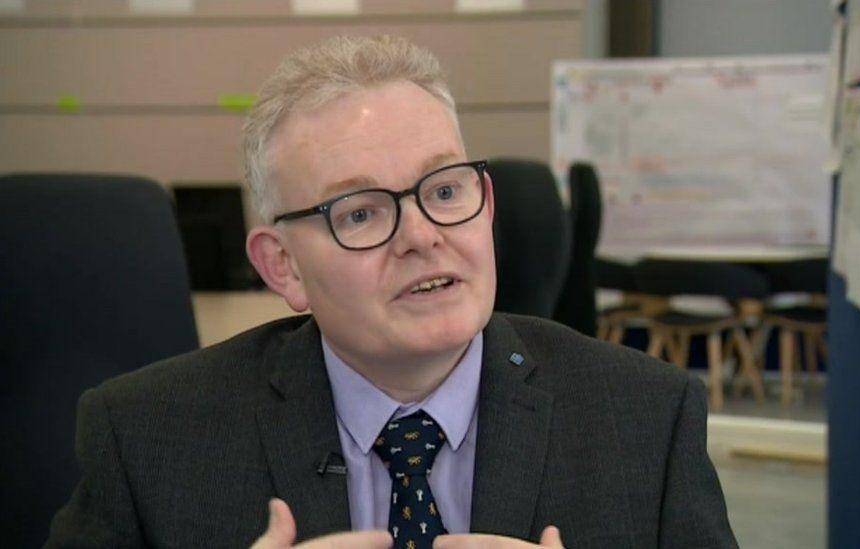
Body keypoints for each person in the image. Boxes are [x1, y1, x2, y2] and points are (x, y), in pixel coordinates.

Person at [46, 35, 737, 549]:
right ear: (282, 265)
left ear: (486, 205)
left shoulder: (648, 418)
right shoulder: (145, 437)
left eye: (443, 191)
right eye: (361, 213)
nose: (422, 235)